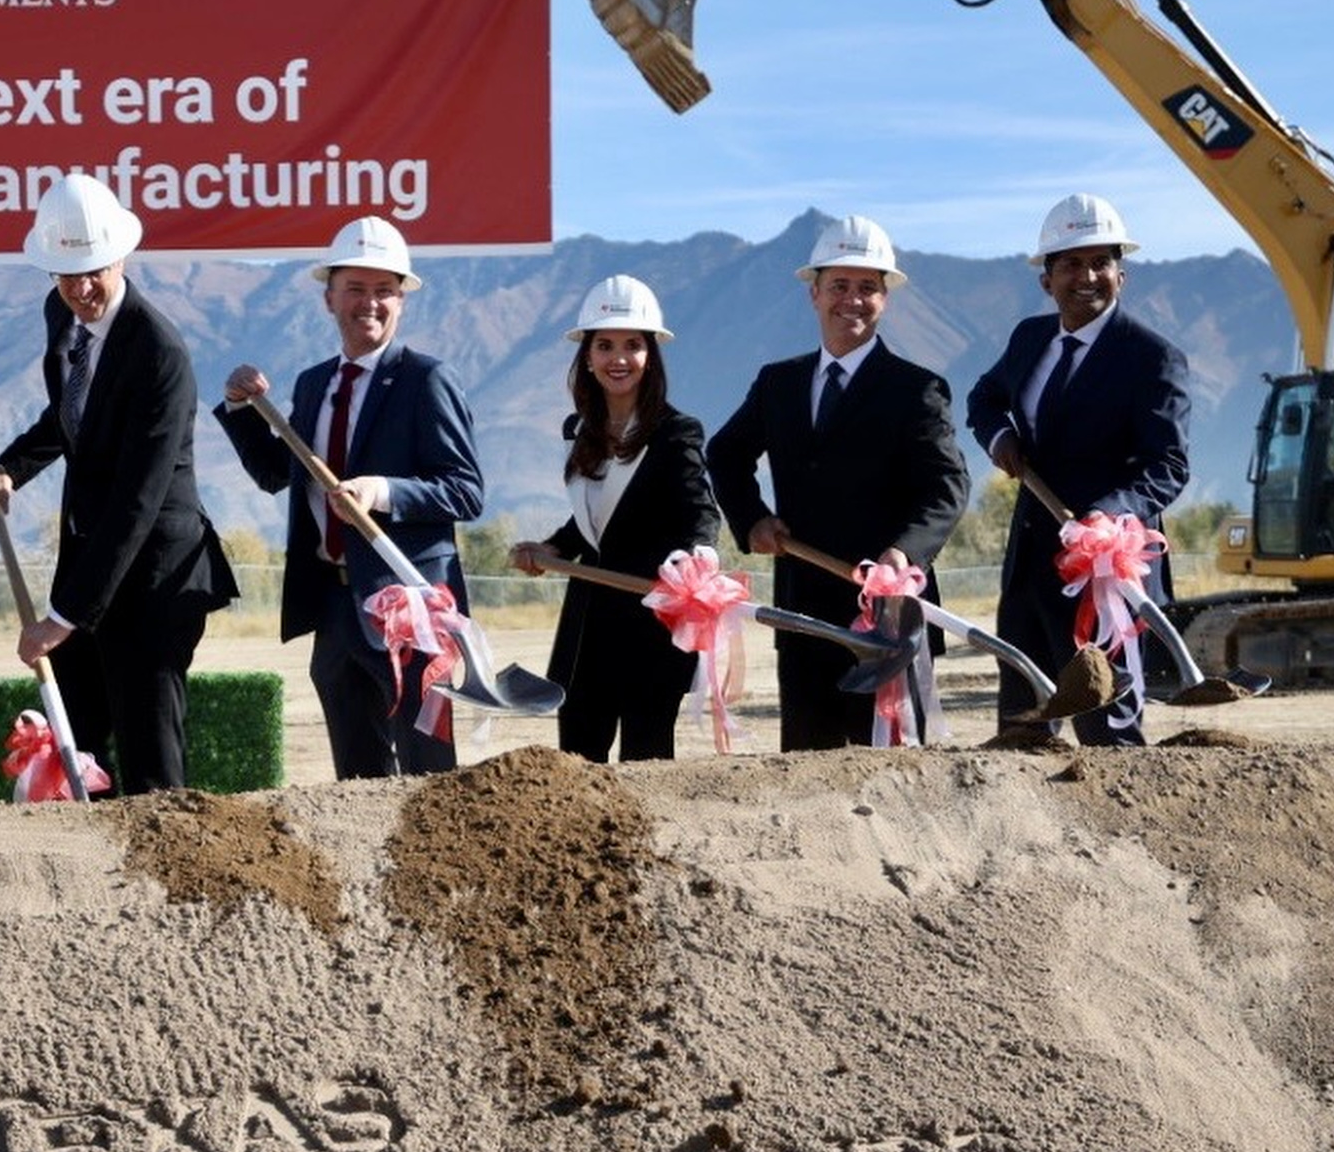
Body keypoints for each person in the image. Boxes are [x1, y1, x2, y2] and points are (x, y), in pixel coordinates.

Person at [0, 174, 237, 794]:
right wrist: (12, 466)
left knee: (151, 767)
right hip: (94, 566)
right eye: (67, 274)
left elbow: (136, 501)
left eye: (94, 271)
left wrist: (63, 615)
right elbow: (71, 413)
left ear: (122, 256)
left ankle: (169, 877)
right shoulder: (60, 313)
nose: (82, 289)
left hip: (155, 579)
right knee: (75, 746)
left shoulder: (158, 353)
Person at [216, 216, 485, 780]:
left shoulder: (427, 379)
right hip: (336, 610)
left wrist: (379, 491)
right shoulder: (314, 384)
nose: (370, 303)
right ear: (329, 298)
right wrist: (241, 411)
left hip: (409, 611)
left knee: (427, 770)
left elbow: (464, 490)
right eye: (356, 289)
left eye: (384, 290)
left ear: (402, 301)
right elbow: (275, 473)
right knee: (356, 781)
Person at [706, 215, 970, 749]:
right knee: (808, 773)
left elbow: (947, 486)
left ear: (885, 299)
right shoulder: (778, 383)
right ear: (815, 293)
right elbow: (725, 452)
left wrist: (904, 553)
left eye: (867, 288)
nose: (852, 300)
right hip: (803, 616)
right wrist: (752, 518)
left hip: (889, 619)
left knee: (895, 776)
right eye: (840, 286)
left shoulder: (916, 390)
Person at [964, 192, 1195, 746]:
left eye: (1101, 263)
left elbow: (1168, 465)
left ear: (1123, 275)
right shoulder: (1030, 339)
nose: (1086, 275)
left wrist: (1107, 515)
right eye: (1070, 263)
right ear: (1047, 280)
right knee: (1022, 730)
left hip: (1104, 579)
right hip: (1030, 570)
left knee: (1107, 735)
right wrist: (1000, 437)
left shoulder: (1152, 358)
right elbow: (985, 396)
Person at [508, 276, 721, 762]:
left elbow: (700, 511)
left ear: (651, 356)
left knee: (645, 768)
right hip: (585, 634)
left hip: (650, 628)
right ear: (587, 355)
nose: (618, 358)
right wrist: (553, 549)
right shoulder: (579, 428)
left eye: (632, 345)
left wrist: (697, 560)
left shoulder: (676, 432)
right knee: (576, 772)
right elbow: (592, 521)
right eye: (604, 345)